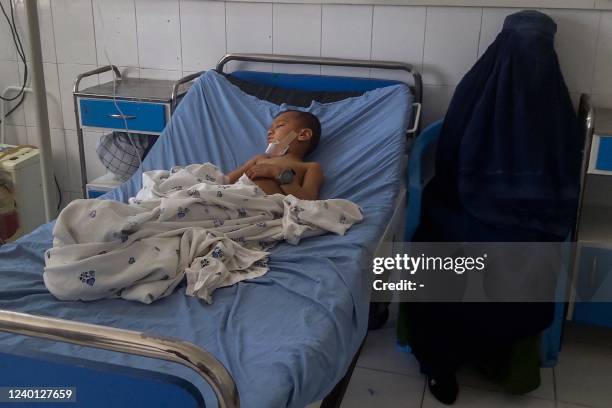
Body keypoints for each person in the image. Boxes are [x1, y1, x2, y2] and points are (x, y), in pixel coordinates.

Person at [397, 10, 582, 405]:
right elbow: (448, 159)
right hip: (463, 202)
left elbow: (564, 172)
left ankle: (503, 363)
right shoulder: (476, 90)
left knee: (525, 262)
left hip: (530, 215)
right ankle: (440, 364)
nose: (530, 59)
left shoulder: (554, 106)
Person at [227, 110, 324, 201]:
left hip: (262, 207)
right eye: (270, 129)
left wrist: (279, 174)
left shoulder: (310, 167)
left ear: (303, 134)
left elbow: (308, 202)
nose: (269, 132)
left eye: (279, 125)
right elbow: (226, 180)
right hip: (233, 196)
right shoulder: (260, 159)